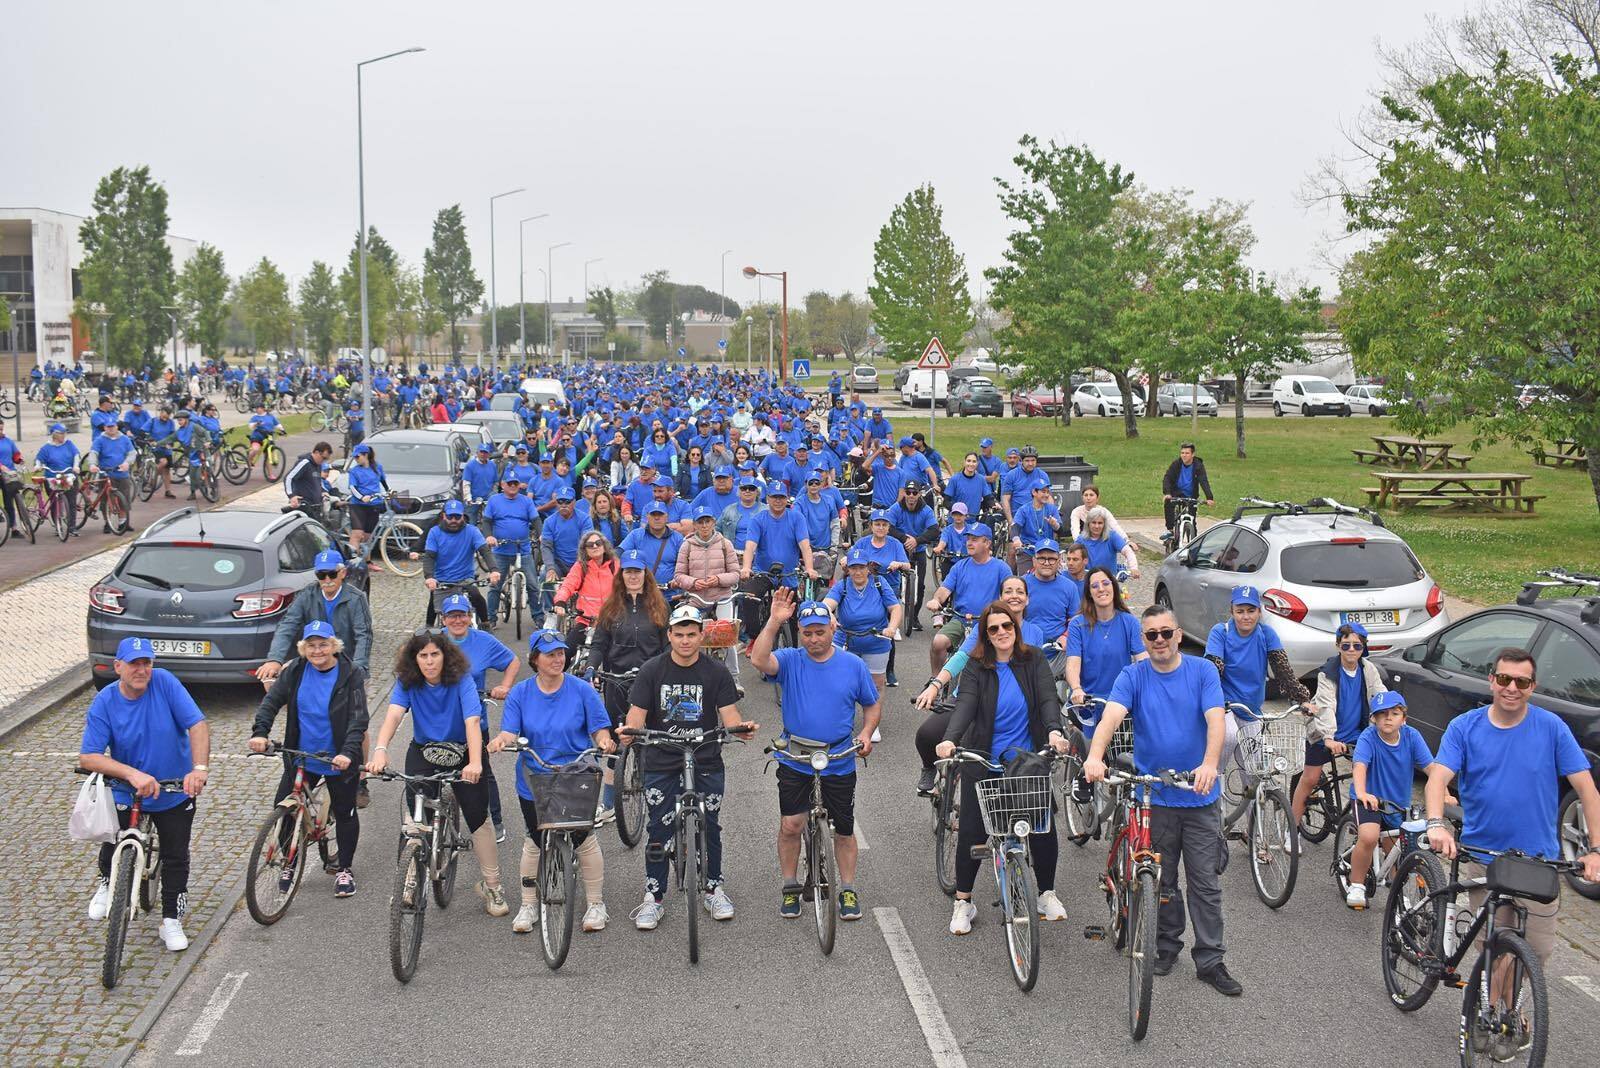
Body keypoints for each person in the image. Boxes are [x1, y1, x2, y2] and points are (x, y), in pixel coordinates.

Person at [1084, 605, 1237, 995]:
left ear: (1178, 635)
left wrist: (1209, 764)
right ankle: (1166, 947)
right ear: (1144, 640)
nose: (1159, 641)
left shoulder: (1202, 672)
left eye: (1166, 633)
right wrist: (1095, 756)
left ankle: (1211, 960)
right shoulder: (1133, 675)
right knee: (1161, 882)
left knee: (1205, 884)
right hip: (1155, 797)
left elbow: (1216, 720)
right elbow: (1111, 717)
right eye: (1151, 635)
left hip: (1198, 796)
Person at [1425, 647, 1600, 986]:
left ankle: (1503, 1006)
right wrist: (1435, 824)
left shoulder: (1551, 728)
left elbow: (1588, 791)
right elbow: (1437, 779)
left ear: (1533, 687)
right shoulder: (1465, 727)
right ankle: (1493, 1012)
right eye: (1505, 679)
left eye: (1522, 682)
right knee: (1494, 951)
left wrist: (1595, 850)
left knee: (1535, 953)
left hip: (1538, 860)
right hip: (1485, 857)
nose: (1511, 688)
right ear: (1492, 680)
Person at [936, 599, 1071, 934]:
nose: (1001, 632)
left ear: (1015, 627)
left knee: (1042, 827)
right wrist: (950, 740)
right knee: (972, 830)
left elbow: (1047, 699)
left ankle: (1045, 893)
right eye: (993, 628)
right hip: (984, 759)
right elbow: (965, 705)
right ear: (985, 634)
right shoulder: (976, 666)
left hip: (1025, 762)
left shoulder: (1033, 659)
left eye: (1006, 625)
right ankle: (964, 901)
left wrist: (1054, 731)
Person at [622, 604, 757, 930]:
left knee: (710, 824)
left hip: (705, 758)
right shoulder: (652, 670)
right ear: (669, 636)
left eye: (691, 634)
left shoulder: (716, 672)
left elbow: (730, 716)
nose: (685, 640)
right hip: (661, 760)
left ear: (701, 637)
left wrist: (740, 729)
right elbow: (636, 716)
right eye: (679, 634)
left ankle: (713, 889)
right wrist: (629, 732)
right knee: (659, 828)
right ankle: (653, 896)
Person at [750, 592, 880, 922]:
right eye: (807, 632)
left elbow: (871, 704)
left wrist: (866, 733)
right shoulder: (790, 660)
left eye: (820, 631)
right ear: (800, 632)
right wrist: (774, 621)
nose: (813, 639)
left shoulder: (853, 665)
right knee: (791, 824)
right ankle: (790, 886)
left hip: (838, 757)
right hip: (796, 756)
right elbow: (759, 660)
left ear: (833, 629)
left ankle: (847, 888)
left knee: (844, 829)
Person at [80, 637, 211, 952]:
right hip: (128, 788)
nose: (141, 670)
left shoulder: (164, 683)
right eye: (133, 663)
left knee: (175, 855)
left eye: (146, 663)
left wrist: (199, 769)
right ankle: (108, 881)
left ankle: (171, 920)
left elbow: (197, 725)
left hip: (173, 788)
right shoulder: (105, 701)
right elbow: (89, 757)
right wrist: (131, 774)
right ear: (118, 667)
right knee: (113, 837)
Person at [367, 631, 509, 917]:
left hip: (463, 750)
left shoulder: (462, 679)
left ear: (445, 656)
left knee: (478, 818)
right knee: (414, 819)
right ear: (415, 659)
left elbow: (472, 721)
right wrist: (380, 749)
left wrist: (475, 762)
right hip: (425, 751)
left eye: (435, 654)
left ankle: (493, 885)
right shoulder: (408, 681)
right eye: (423, 656)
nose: (430, 661)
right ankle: (409, 881)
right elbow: (394, 714)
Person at [489, 631, 617, 934]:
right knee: (534, 839)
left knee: (583, 837)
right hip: (536, 775)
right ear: (535, 659)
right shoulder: (520, 693)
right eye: (550, 654)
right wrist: (502, 740)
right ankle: (528, 904)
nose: (558, 659)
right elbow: (510, 730)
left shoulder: (581, 689)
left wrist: (604, 741)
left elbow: (600, 728)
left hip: (576, 773)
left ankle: (596, 903)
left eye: (561, 653)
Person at [248, 621, 368, 898]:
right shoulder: (296, 670)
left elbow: (358, 718)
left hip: (339, 757)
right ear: (303, 649)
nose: (317, 651)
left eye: (323, 644)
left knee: (345, 811)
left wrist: (348, 752)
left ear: (333, 646)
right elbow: (272, 701)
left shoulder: (350, 673)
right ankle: (289, 862)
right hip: (302, 755)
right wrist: (260, 732)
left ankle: (344, 869)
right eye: (311, 646)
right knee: (283, 810)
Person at [915, 576, 1048, 794]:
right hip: (970, 698)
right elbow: (961, 657)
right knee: (927, 734)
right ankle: (930, 768)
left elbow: (1037, 675)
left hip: (1011, 707)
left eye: (1020, 591)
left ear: (1027, 599)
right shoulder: (983, 628)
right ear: (1000, 597)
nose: (1014, 596)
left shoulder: (1036, 633)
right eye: (1008, 591)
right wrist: (936, 684)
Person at [1344, 691, 1435, 909]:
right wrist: (1362, 792)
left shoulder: (1412, 736)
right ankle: (1356, 884)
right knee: (1369, 837)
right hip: (1369, 799)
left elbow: (1431, 768)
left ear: (1404, 719)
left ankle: (1398, 894)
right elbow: (1360, 766)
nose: (1388, 718)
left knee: (1396, 850)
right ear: (1373, 719)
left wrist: (1444, 793)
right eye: (1382, 714)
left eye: (1394, 713)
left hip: (1397, 803)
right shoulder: (1368, 737)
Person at [1292, 623, 1386, 825]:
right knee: (1310, 778)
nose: (1351, 650)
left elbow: (1380, 696)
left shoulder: (1369, 669)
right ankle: (1291, 828)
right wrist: (1328, 738)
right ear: (1338, 646)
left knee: (1368, 774)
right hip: (1323, 731)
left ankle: (1359, 821)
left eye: (1357, 645)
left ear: (1363, 647)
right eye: (1346, 645)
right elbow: (1325, 707)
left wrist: (1390, 717)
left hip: (1355, 733)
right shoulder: (1328, 673)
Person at [1064, 567, 1146, 735]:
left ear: (1113, 587)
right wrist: (1077, 688)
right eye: (1094, 586)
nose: (1101, 589)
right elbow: (1073, 662)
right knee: (1090, 746)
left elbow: (1142, 659)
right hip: (1090, 702)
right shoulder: (1078, 624)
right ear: (1089, 593)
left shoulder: (1129, 622)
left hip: (1120, 701)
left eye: (1105, 583)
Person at [823, 544, 903, 714]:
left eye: (861, 567)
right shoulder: (843, 585)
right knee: (841, 682)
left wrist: (891, 627)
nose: (857, 572)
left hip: (876, 641)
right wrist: (829, 615)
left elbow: (895, 608)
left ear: (868, 568)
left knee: (877, 684)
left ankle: (873, 721)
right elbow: (826, 605)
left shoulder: (880, 583)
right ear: (848, 569)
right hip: (845, 640)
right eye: (853, 568)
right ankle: (842, 718)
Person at [923, 522, 1009, 676]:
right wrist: (936, 600)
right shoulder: (959, 566)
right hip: (960, 619)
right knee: (938, 642)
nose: (969, 542)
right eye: (968, 538)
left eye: (974, 539)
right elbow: (944, 590)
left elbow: (1009, 594)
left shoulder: (1001, 568)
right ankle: (936, 680)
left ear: (987, 543)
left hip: (988, 622)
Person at [420, 499, 497, 627]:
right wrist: (429, 577)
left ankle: (485, 625)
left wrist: (494, 570)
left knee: (476, 596)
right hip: (442, 580)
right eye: (450, 517)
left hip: (465, 579)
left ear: (463, 516)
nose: (453, 520)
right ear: (444, 516)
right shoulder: (434, 532)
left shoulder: (472, 531)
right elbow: (429, 557)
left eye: (457, 516)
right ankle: (428, 629)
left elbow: (485, 551)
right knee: (433, 606)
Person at [482, 473, 541, 626]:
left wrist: (541, 534)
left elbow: (536, 520)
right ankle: (491, 619)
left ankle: (538, 617)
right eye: (510, 483)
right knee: (495, 585)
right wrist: (489, 536)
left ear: (519, 485)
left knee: (533, 585)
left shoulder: (526, 501)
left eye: (515, 483)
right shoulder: (494, 500)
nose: (513, 486)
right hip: (500, 550)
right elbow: (486, 521)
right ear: (503, 485)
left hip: (523, 549)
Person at [553, 532, 618, 638]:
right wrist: (560, 602)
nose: (595, 546)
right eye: (590, 545)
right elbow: (568, 585)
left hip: (612, 622)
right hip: (586, 622)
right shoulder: (580, 567)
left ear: (604, 546)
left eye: (598, 543)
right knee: (567, 648)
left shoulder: (615, 566)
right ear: (585, 550)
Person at [87, 419, 136, 532]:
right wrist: (92, 464)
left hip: (122, 473)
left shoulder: (125, 439)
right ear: (105, 428)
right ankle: (107, 523)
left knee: (124, 499)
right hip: (106, 473)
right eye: (108, 427)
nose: (111, 429)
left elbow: (132, 453)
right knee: (105, 499)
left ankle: (123, 522)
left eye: (113, 426)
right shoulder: (99, 440)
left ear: (117, 427)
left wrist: (127, 463)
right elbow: (93, 453)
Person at [344, 444, 389, 561]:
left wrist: (389, 491)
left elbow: (383, 481)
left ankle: (367, 562)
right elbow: (352, 488)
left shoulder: (377, 467)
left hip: (374, 504)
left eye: (358, 457)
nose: (356, 459)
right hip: (358, 505)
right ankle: (352, 562)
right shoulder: (354, 471)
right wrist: (362, 497)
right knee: (357, 534)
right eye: (354, 457)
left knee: (368, 537)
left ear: (366, 455)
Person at [1161, 442, 1214, 540]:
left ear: (1193, 454)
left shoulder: (1198, 466)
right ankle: (1170, 530)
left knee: (1192, 521)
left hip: (1191, 496)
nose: (1184, 455)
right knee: (1168, 503)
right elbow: (1167, 478)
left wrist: (1209, 497)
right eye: (1182, 453)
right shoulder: (1176, 464)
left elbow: (1203, 481)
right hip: (1176, 493)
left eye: (1187, 453)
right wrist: (1167, 493)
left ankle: (1193, 542)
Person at [35, 422, 82, 527]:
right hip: (52, 477)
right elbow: (39, 459)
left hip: (67, 476)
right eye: (61, 433)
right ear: (54, 434)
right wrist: (38, 466)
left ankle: (72, 526)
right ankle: (58, 526)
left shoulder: (69, 444)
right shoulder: (46, 448)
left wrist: (76, 466)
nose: (64, 435)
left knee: (71, 501)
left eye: (64, 433)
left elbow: (76, 455)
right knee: (55, 502)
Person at [1079, 508, 1138, 577]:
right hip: (1089, 578)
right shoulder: (1081, 539)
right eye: (1093, 522)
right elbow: (1073, 555)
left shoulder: (1112, 536)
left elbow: (1127, 551)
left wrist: (1133, 568)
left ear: (1104, 524)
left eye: (1100, 523)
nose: (1097, 526)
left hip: (1109, 578)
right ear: (1088, 524)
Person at [285, 441, 336, 520]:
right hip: (303, 507)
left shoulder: (319, 465)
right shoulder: (305, 463)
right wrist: (291, 496)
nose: (324, 461)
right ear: (316, 452)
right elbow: (289, 478)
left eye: (326, 459)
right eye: (323, 458)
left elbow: (318, 482)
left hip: (315, 507)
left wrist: (323, 491)